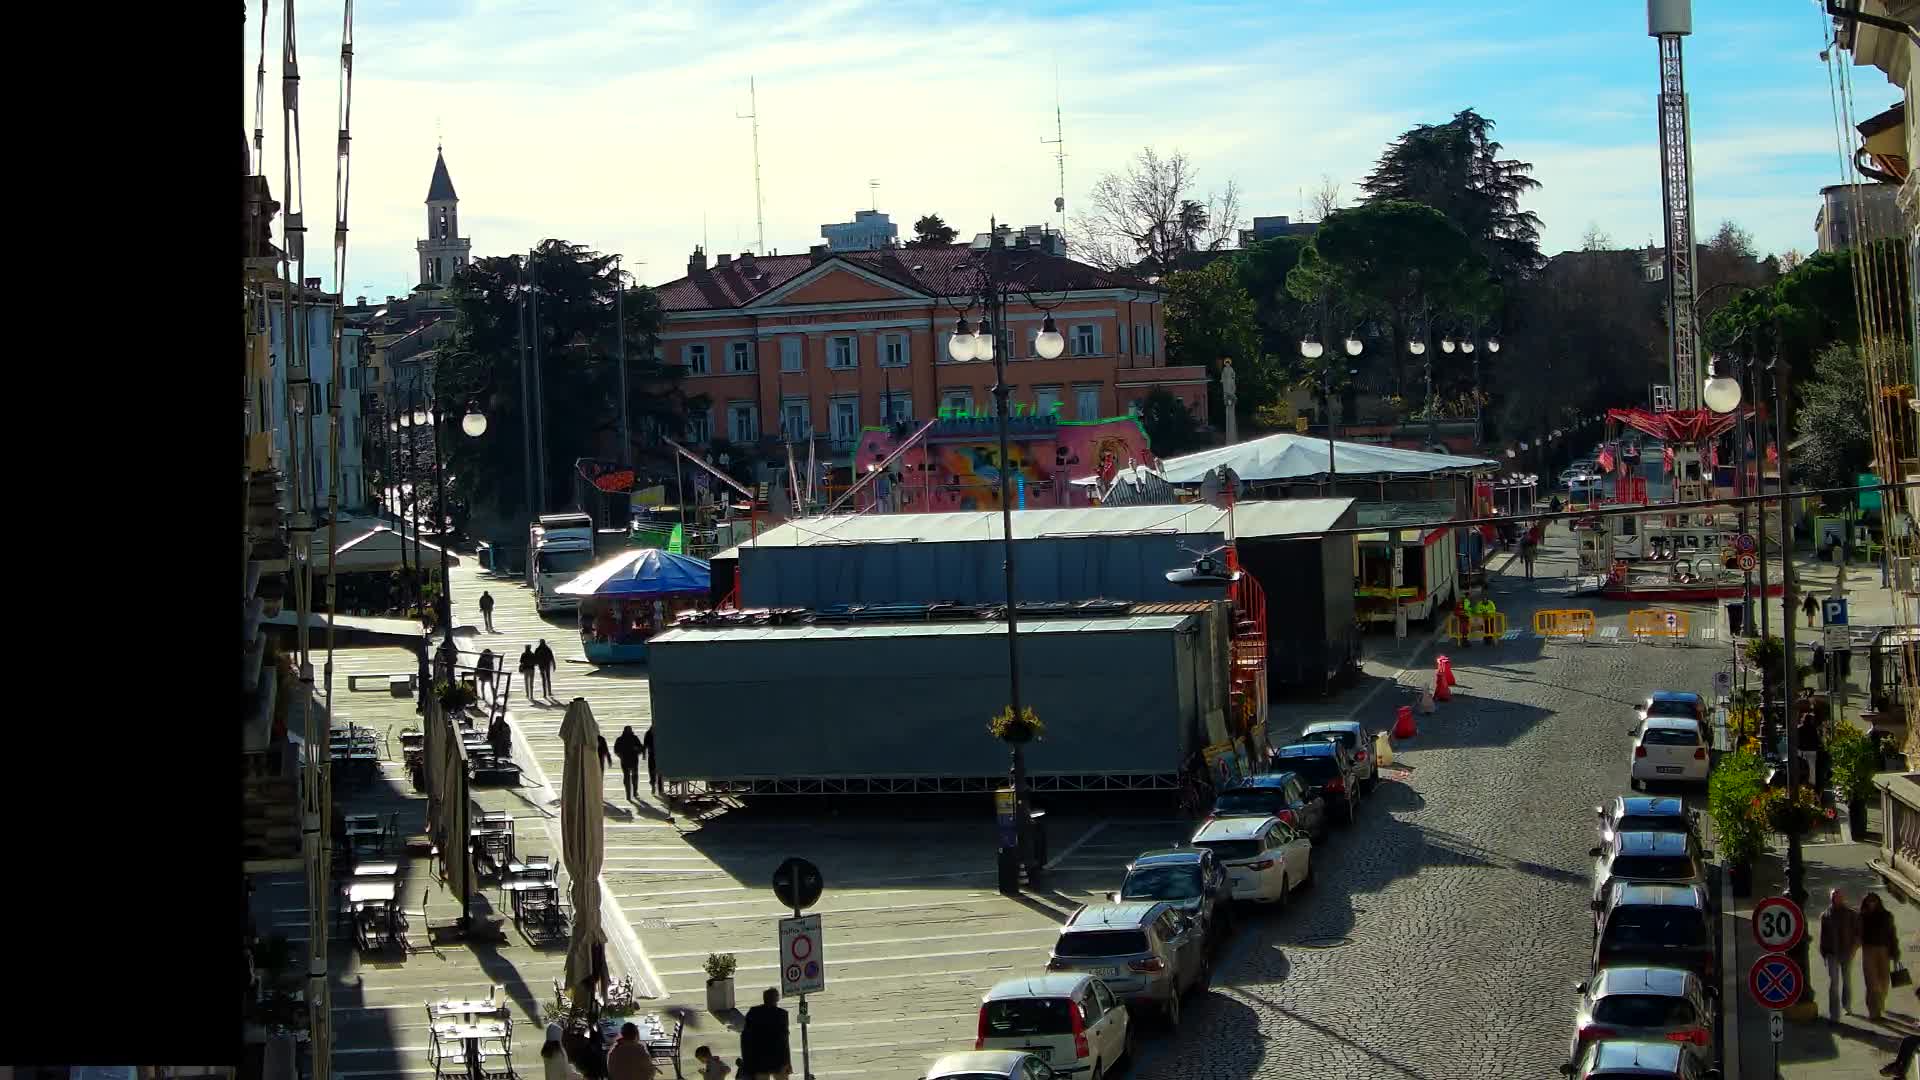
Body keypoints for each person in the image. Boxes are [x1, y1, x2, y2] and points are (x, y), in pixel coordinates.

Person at [1822, 889, 1863, 1022]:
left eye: (1838, 896)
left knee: (1846, 980)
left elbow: (1858, 935)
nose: (1835, 898)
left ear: (1843, 898)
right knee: (1833, 983)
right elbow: (1823, 936)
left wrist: (1854, 949)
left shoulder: (1851, 914)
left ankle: (1847, 1006)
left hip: (1846, 952)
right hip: (1831, 954)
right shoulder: (1826, 915)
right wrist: (1824, 953)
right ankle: (1834, 1014)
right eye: (1833, 896)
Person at [1862, 891, 1901, 1021]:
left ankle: (1880, 1002)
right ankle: (1874, 1013)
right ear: (1866, 903)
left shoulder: (1887, 916)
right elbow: (1855, 934)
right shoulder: (1862, 916)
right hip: (1868, 951)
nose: (1872, 903)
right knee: (1872, 982)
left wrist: (1895, 953)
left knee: (1884, 981)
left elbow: (1892, 935)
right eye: (1869, 901)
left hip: (1884, 950)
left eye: (1874, 900)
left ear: (1878, 902)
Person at [739, 988, 792, 1080]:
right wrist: (787, 1062)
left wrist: (747, 1061)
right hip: (778, 1059)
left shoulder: (754, 1012)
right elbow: (784, 1040)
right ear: (776, 999)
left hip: (759, 1061)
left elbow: (745, 1038)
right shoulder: (781, 1014)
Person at [614, 725, 645, 802]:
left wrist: (620, 755)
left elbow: (616, 750)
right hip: (632, 760)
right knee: (632, 777)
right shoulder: (634, 738)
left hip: (626, 761)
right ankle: (633, 792)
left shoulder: (620, 739)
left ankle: (630, 793)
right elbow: (641, 748)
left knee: (627, 777)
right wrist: (637, 751)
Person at [643, 725, 661, 796]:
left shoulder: (651, 733)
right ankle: (654, 785)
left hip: (657, 755)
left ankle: (659, 788)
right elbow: (645, 744)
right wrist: (644, 754)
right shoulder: (649, 733)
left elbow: (645, 745)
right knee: (652, 771)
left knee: (657, 772)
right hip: (652, 754)